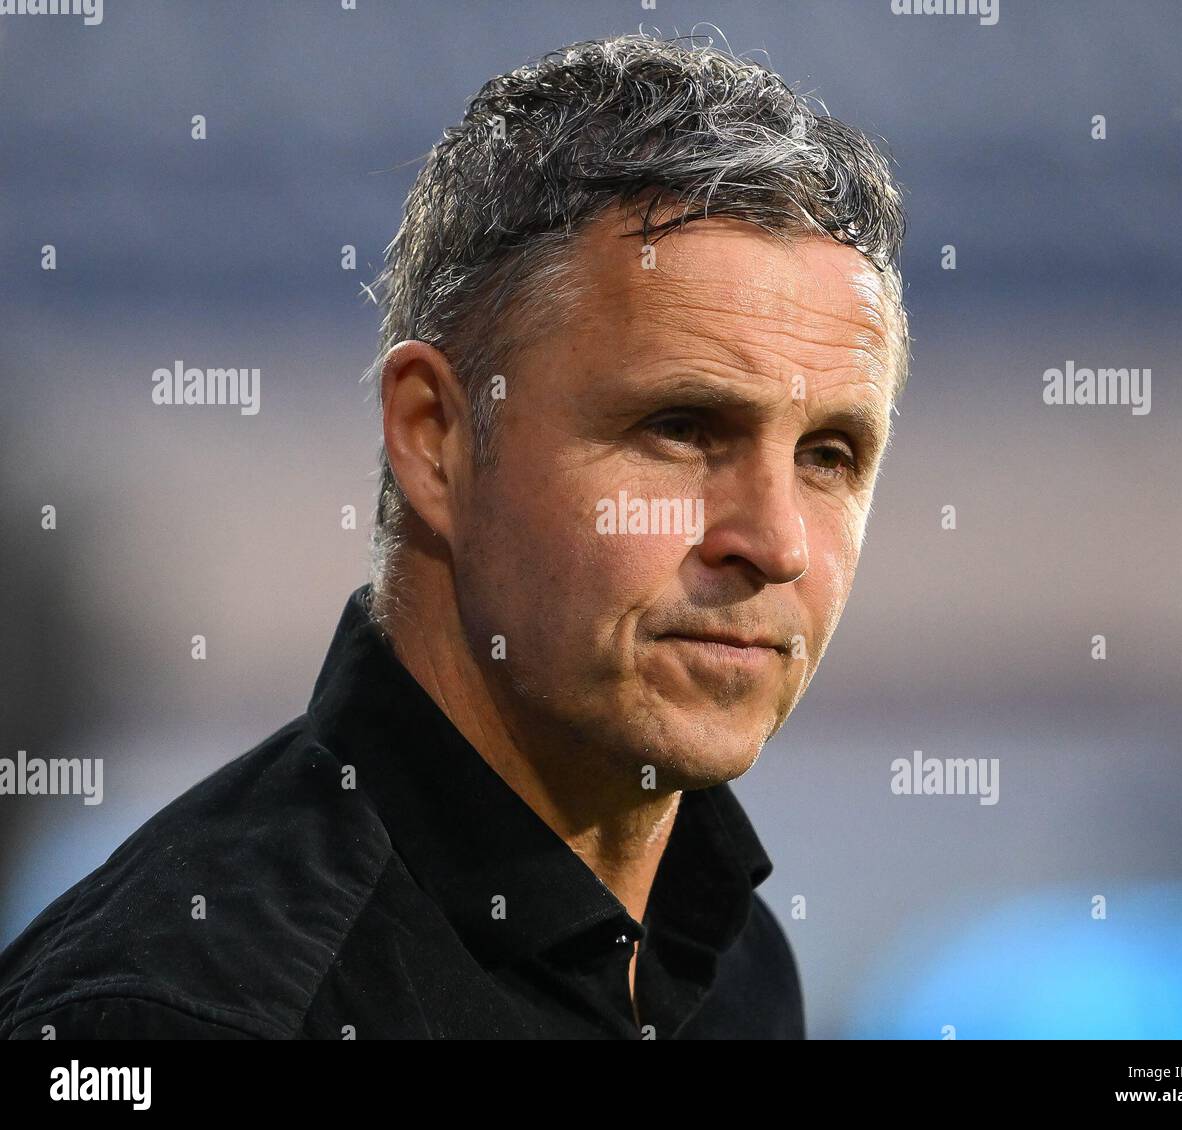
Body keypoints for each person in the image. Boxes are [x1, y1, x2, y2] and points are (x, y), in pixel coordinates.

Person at [0, 31, 908, 1039]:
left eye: (828, 453)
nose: (775, 542)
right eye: (680, 428)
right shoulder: (178, 1014)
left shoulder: (731, 958)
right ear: (434, 438)